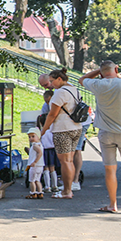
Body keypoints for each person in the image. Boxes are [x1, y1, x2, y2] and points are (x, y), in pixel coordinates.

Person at [79, 61, 121, 213]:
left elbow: (81, 79)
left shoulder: (97, 84)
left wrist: (99, 71)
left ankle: (112, 204)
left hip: (105, 133)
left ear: (102, 72)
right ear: (116, 69)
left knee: (110, 170)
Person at [39, 68, 81, 199]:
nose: (51, 84)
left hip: (63, 129)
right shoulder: (74, 89)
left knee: (65, 161)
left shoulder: (60, 93)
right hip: (76, 127)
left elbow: (52, 114)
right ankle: (71, 186)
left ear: (59, 79)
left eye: (52, 81)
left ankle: (66, 191)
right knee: (70, 160)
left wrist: (43, 130)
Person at [37, 114, 59, 194]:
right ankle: (55, 186)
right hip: (52, 151)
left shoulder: (41, 132)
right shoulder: (53, 131)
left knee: (45, 169)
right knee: (53, 169)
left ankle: (47, 186)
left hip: (44, 151)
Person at [25, 127, 44, 199]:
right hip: (40, 165)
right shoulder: (39, 144)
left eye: (33, 136)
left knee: (32, 180)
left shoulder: (35, 145)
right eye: (29, 137)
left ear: (38, 136)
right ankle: (40, 192)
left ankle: (33, 193)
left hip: (35, 166)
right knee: (37, 180)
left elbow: (40, 153)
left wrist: (35, 162)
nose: (31, 138)